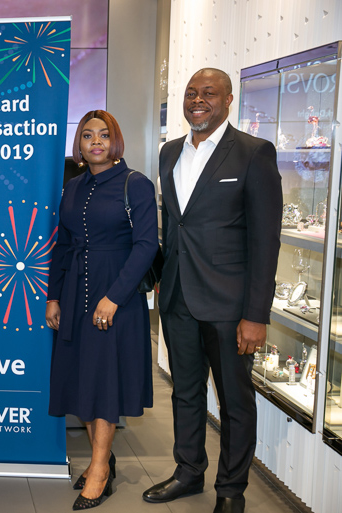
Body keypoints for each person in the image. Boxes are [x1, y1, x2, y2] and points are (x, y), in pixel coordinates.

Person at [142, 68, 281, 513]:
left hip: (230, 305)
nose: (197, 100)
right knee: (185, 392)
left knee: (234, 401)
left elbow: (265, 241)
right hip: (178, 297)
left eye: (209, 93)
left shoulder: (253, 153)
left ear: (228, 100)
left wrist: (256, 315)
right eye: (191, 93)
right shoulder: (169, 153)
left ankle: (231, 490)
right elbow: (173, 223)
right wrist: (161, 275)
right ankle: (188, 472)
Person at [46, 110, 157, 510]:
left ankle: (98, 470)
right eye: (88, 135)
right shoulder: (73, 186)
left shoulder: (135, 184)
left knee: (105, 381)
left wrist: (114, 297)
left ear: (115, 141)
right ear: (79, 144)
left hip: (115, 294)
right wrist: (53, 296)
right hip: (75, 290)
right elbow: (63, 244)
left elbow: (146, 245)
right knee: (80, 378)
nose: (96, 141)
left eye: (104, 135)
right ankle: (102, 458)